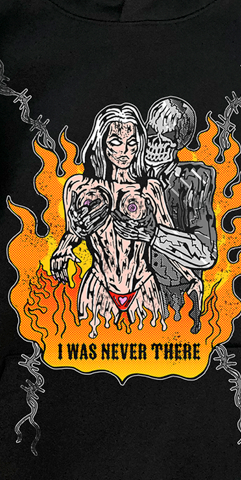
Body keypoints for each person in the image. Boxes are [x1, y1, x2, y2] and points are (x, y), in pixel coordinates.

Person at [50, 105, 172, 333]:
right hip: (98, 285)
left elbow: (168, 241)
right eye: (116, 141)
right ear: (102, 143)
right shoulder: (78, 186)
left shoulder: (150, 189)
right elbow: (73, 231)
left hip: (143, 284)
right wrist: (63, 249)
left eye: (132, 142)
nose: (125, 150)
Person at [143, 96, 218, 332]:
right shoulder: (129, 174)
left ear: (180, 142)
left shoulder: (194, 179)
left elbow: (205, 253)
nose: (155, 143)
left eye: (166, 137)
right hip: (137, 297)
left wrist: (155, 235)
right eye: (151, 134)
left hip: (180, 297)